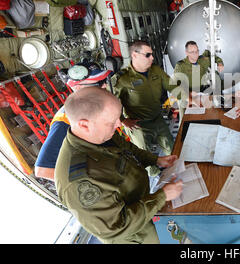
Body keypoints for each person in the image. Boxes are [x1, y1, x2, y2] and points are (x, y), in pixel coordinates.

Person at [54, 87, 183, 244]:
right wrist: (161, 196)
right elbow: (118, 227)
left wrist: (156, 160)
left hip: (146, 205)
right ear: (84, 125)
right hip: (135, 235)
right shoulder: (79, 181)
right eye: (112, 122)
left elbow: (129, 150)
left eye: (118, 118)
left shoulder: (101, 133)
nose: (119, 125)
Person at [34, 65, 113, 181]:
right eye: (99, 83)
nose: (105, 85)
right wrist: (91, 182)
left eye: (104, 81)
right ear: (79, 89)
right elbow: (43, 170)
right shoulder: (65, 120)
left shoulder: (91, 109)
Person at [112, 41, 177, 156]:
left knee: (171, 148)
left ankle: (174, 170)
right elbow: (112, 103)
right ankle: (153, 174)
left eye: (151, 54)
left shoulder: (156, 71)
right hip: (138, 125)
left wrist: (191, 98)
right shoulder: (123, 79)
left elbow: (173, 86)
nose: (152, 58)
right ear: (134, 55)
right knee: (144, 155)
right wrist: (123, 120)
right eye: (147, 55)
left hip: (157, 118)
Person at [173, 40, 224, 119]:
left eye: (197, 51)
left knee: (205, 114)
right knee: (185, 118)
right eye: (192, 52)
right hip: (186, 93)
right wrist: (189, 94)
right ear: (186, 52)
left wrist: (220, 63)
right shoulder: (180, 65)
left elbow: (212, 56)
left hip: (201, 93)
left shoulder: (203, 60)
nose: (195, 54)